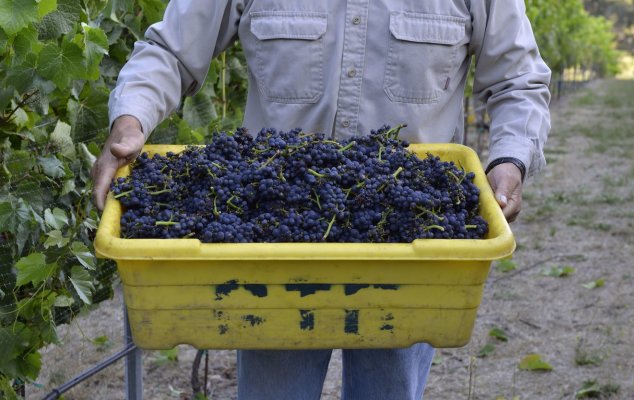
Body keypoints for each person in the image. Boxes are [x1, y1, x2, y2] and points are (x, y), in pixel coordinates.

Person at [91, 1, 551, 399]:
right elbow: (171, 51)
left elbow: (518, 80)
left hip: (410, 241)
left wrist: (510, 160)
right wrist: (130, 120)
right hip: (272, 241)